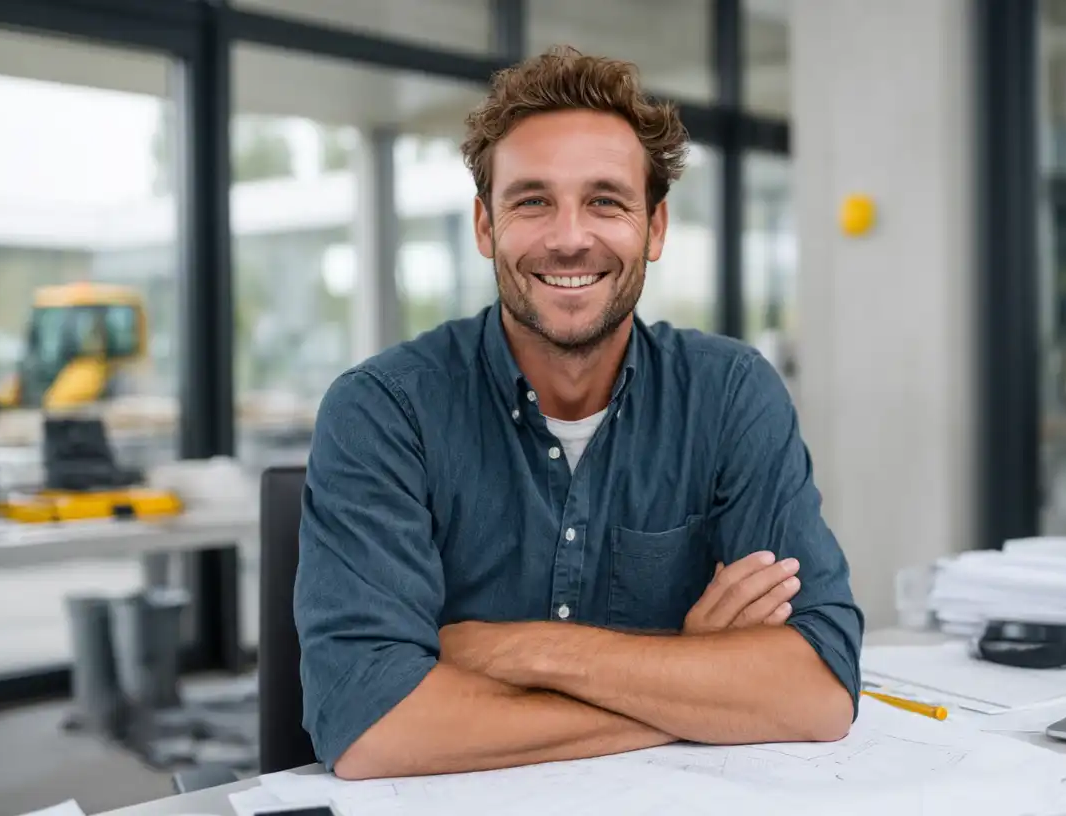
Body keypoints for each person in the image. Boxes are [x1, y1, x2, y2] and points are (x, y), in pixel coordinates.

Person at [295, 46, 864, 781]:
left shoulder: (729, 395)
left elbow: (815, 689)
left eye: (606, 201)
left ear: (654, 229)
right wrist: (696, 686)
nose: (569, 237)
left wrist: (520, 652)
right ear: (485, 227)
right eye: (532, 200)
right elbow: (369, 725)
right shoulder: (384, 412)